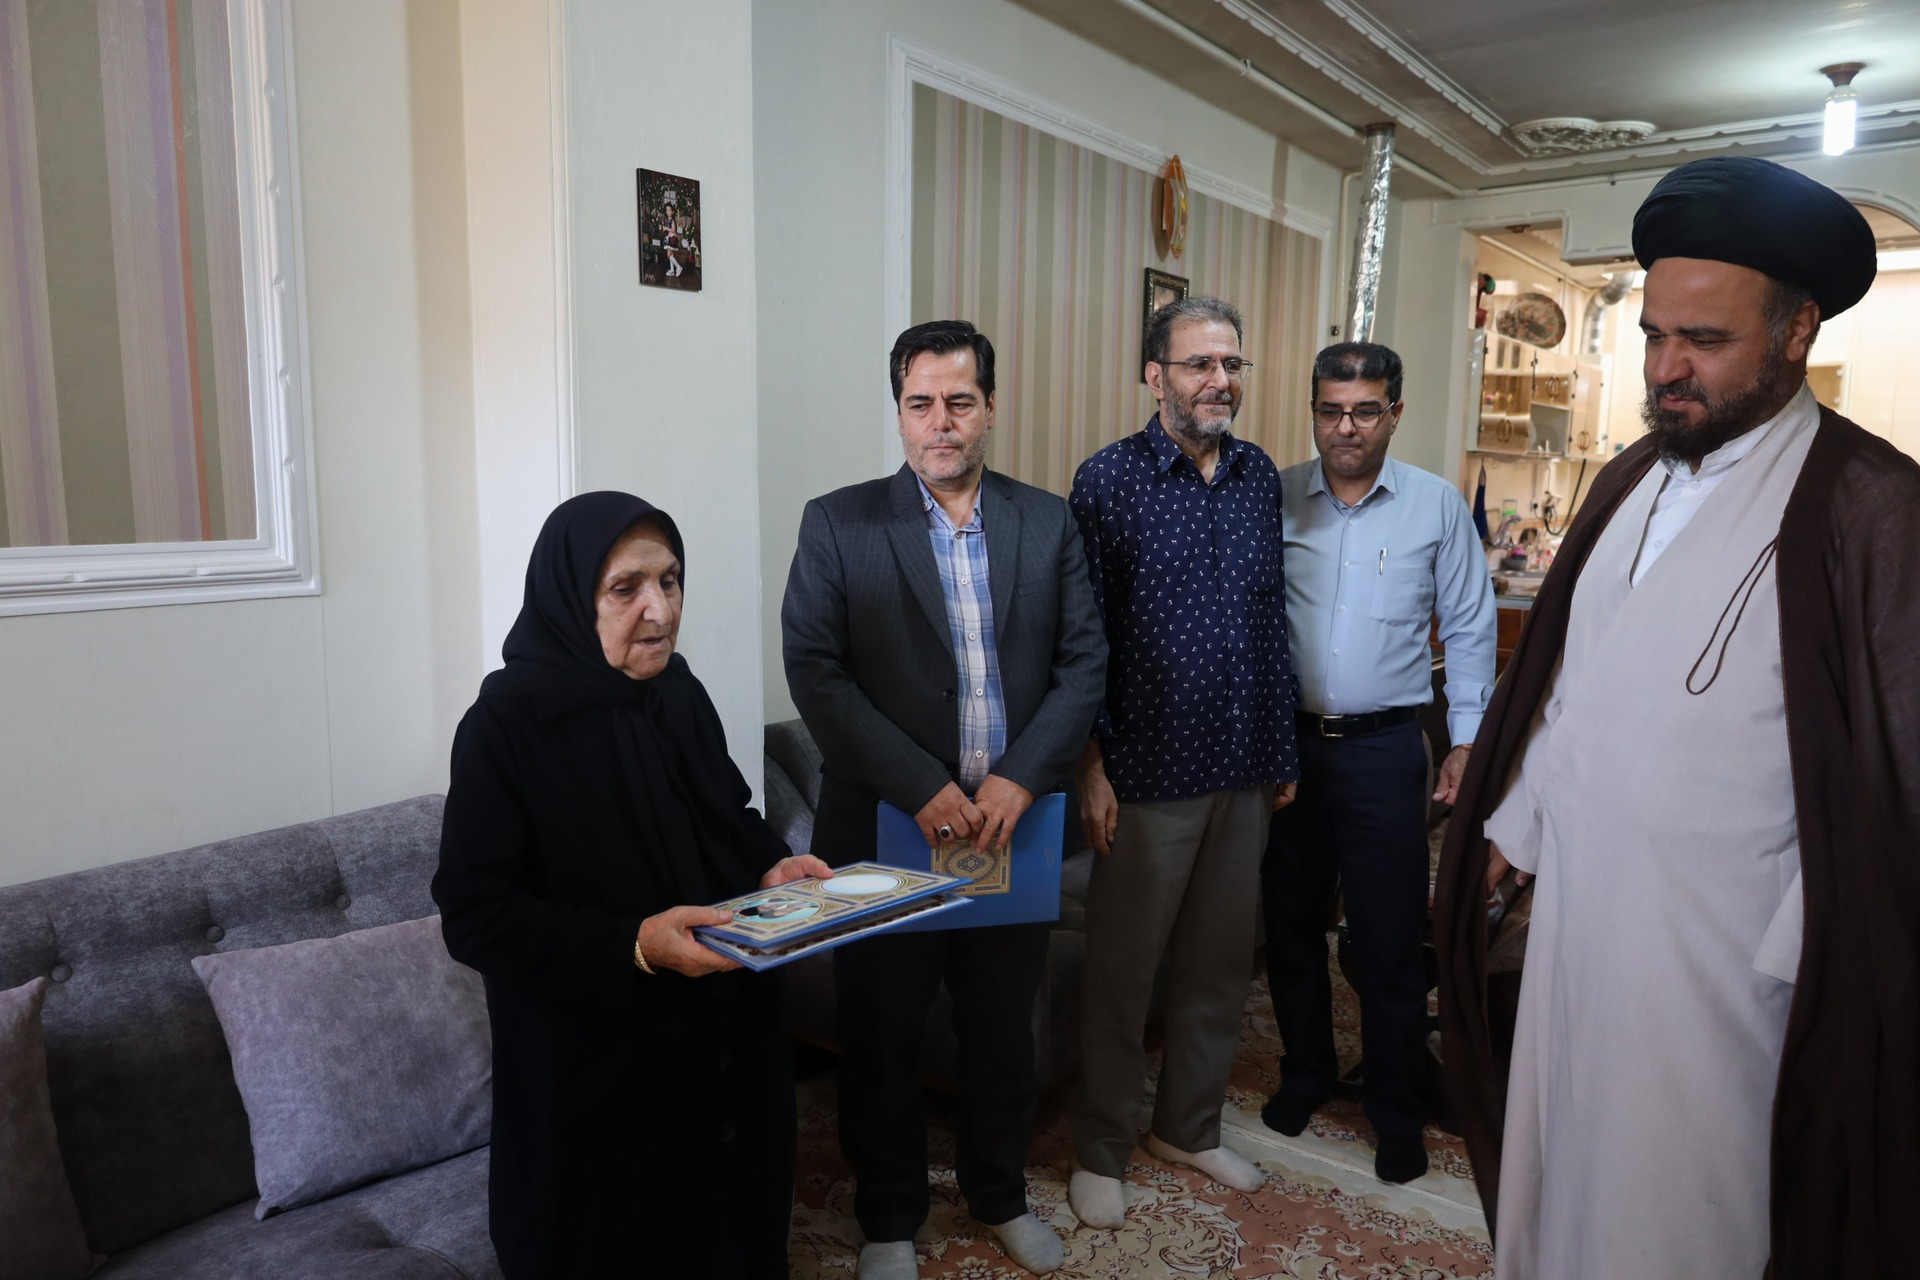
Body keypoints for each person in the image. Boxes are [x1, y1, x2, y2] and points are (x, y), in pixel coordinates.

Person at [1433, 156, 1920, 1279]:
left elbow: (1895, 778)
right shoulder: (1629, 478)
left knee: (1688, 1207)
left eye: (1704, 340)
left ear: (1797, 331)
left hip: (1732, 961)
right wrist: (1518, 825)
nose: (1666, 369)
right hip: (1579, 915)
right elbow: (1572, 687)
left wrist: (1811, 963)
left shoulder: (1871, 506)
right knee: (1566, 1161)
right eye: (1655, 335)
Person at [433, 492, 831, 1279]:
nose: (661, 609)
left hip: (724, 1036)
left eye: (670, 580)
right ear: (569, 597)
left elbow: (726, 811)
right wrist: (636, 946)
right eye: (627, 588)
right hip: (598, 1067)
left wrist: (768, 863)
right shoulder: (505, 725)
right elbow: (476, 915)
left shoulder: (674, 690)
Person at [781, 320, 1107, 1280]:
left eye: (959, 402)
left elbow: (1084, 663)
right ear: (899, 412)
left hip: (1011, 826)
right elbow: (816, 670)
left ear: (990, 407)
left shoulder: (1046, 521)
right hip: (886, 823)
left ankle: (998, 1194)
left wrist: (1019, 776)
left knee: (1003, 1030)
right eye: (920, 403)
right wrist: (922, 785)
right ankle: (889, 1217)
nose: (941, 422)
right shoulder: (838, 522)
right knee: (881, 1031)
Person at [1066, 296, 1300, 1228]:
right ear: (1154, 374)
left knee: (1219, 964)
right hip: (1146, 773)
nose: (1220, 381)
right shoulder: (1107, 480)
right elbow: (1081, 636)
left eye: (1232, 364)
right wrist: (1090, 766)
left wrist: (1282, 743)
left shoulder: (1257, 475)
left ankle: (1188, 1127)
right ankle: (1100, 1146)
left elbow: (1270, 616)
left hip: (1244, 763)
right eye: (1201, 363)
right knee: (1123, 974)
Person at [1262, 342, 1496, 1182]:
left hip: (1386, 750)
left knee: (1388, 938)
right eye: (1331, 411)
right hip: (1287, 749)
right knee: (1289, 927)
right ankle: (1307, 1073)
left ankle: (1396, 1108)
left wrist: (1466, 740)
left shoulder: (1436, 507)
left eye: (1365, 411)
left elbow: (1470, 627)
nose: (1346, 428)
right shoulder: (1273, 497)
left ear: (1395, 413)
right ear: (1314, 412)